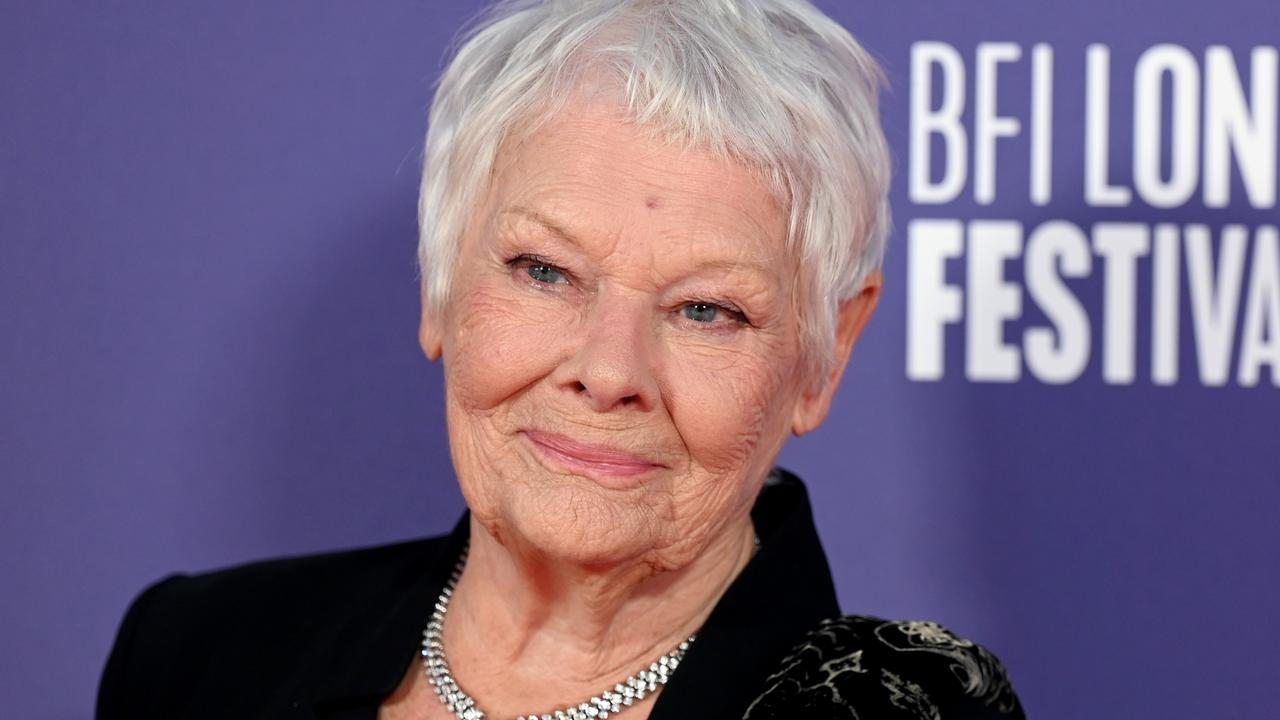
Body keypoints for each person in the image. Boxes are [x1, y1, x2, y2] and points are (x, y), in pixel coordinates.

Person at [98, 1, 1025, 718]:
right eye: (544, 270)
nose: (609, 369)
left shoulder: (895, 706)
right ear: (440, 288)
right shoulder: (197, 655)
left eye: (707, 309)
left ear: (826, 353)